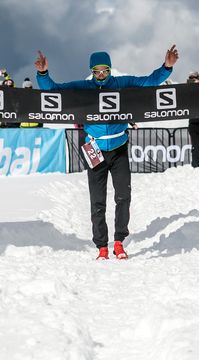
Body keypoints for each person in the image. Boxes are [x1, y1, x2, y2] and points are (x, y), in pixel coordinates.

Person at [35, 45, 178, 260]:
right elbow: (54, 91)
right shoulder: (83, 87)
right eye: (97, 71)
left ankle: (119, 242)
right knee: (97, 201)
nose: (101, 75)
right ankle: (102, 246)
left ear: (110, 70)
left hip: (119, 149)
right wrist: (43, 74)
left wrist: (166, 67)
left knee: (123, 197)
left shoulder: (121, 84)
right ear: (91, 71)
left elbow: (149, 82)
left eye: (105, 71)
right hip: (95, 150)